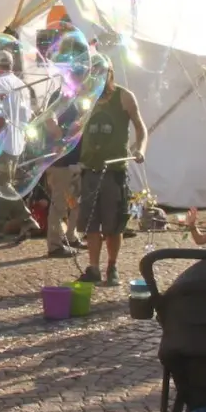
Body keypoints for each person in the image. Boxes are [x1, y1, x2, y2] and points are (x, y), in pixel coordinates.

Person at [75, 70, 147, 286]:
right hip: (89, 169)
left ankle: (112, 266)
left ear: (110, 74)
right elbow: (74, 129)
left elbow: (140, 127)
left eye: (100, 73)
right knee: (91, 224)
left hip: (114, 170)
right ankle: (94, 267)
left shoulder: (124, 96)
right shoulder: (85, 98)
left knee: (113, 224)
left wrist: (140, 148)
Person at [0, 50, 36, 244]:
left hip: (3, 140)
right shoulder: (21, 84)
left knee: (0, 182)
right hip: (17, 140)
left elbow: (0, 116)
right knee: (4, 182)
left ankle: (27, 219)